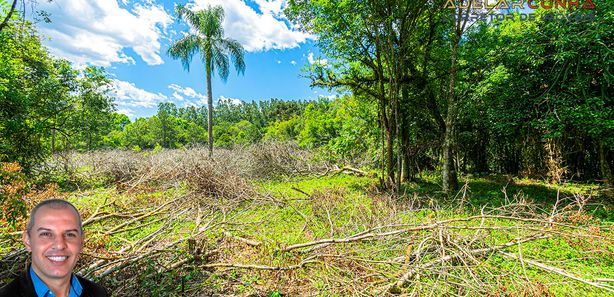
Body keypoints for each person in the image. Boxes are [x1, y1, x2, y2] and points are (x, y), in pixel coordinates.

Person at [0, 199, 108, 297]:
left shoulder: (98, 292)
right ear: (28, 241)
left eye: (70, 234)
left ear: (81, 241)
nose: (60, 245)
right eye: (46, 234)